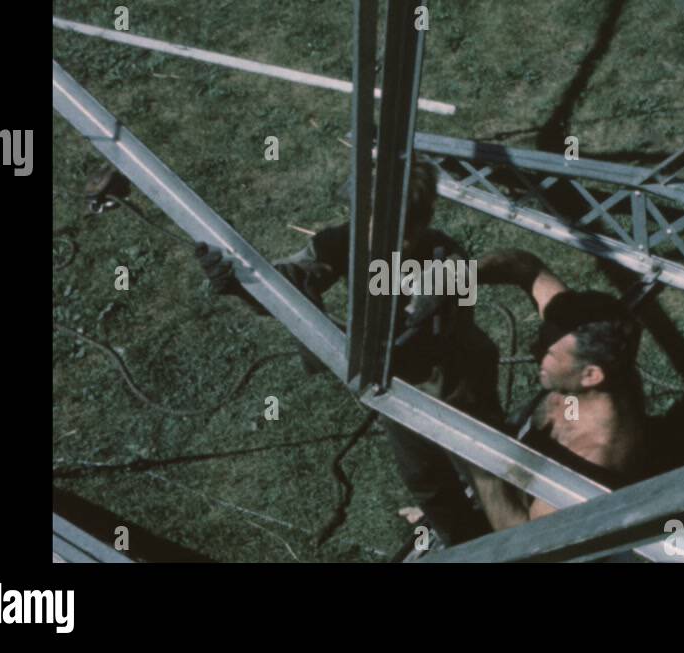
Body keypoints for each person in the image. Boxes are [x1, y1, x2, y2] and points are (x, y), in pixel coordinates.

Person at [195, 158, 502, 546]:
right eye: (372, 224)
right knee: (424, 478)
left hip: (455, 379)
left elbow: (411, 346)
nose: (384, 242)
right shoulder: (343, 241)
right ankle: (467, 545)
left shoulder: (445, 263)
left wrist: (340, 337)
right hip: (400, 389)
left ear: (421, 223)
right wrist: (245, 282)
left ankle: (519, 537)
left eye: (402, 233)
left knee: (488, 469)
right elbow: (289, 282)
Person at [470, 248, 647, 529]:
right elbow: (527, 268)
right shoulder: (587, 349)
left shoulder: (593, 461)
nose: (534, 350)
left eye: (549, 353)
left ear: (590, 375)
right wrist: (456, 277)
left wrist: (477, 457)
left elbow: (522, 538)